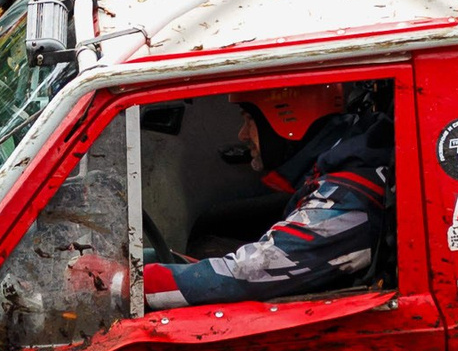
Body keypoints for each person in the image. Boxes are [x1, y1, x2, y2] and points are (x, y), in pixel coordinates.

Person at [144, 81, 392, 309]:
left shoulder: (349, 196)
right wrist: (152, 261)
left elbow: (250, 274)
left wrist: (132, 283)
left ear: (287, 119)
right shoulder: (344, 160)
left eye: (249, 120)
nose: (242, 135)